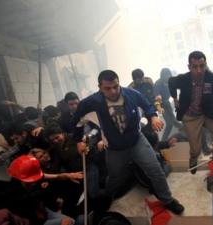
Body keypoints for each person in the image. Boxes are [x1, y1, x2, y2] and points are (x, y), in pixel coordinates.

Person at [71, 70, 184, 215]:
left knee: (155, 170)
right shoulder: (90, 103)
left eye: (115, 86)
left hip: (137, 140)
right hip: (114, 148)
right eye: (107, 88)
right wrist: (78, 141)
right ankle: (108, 197)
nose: (113, 91)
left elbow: (148, 106)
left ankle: (167, 200)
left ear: (119, 83)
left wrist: (153, 117)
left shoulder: (131, 94)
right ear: (99, 87)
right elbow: (76, 122)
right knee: (114, 177)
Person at [168, 50, 213, 174]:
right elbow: (170, 82)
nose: (199, 70)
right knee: (196, 149)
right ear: (189, 67)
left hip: (208, 114)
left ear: (205, 65)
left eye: (202, 66)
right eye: (195, 67)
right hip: (190, 117)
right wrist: (174, 98)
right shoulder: (183, 79)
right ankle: (193, 159)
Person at [154, 68, 181, 141]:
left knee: (175, 122)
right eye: (166, 76)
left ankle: (186, 133)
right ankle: (162, 142)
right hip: (159, 104)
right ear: (162, 76)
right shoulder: (158, 84)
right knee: (169, 124)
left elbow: (175, 91)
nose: (168, 77)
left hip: (166, 103)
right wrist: (159, 108)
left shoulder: (171, 82)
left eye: (169, 75)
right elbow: (157, 98)